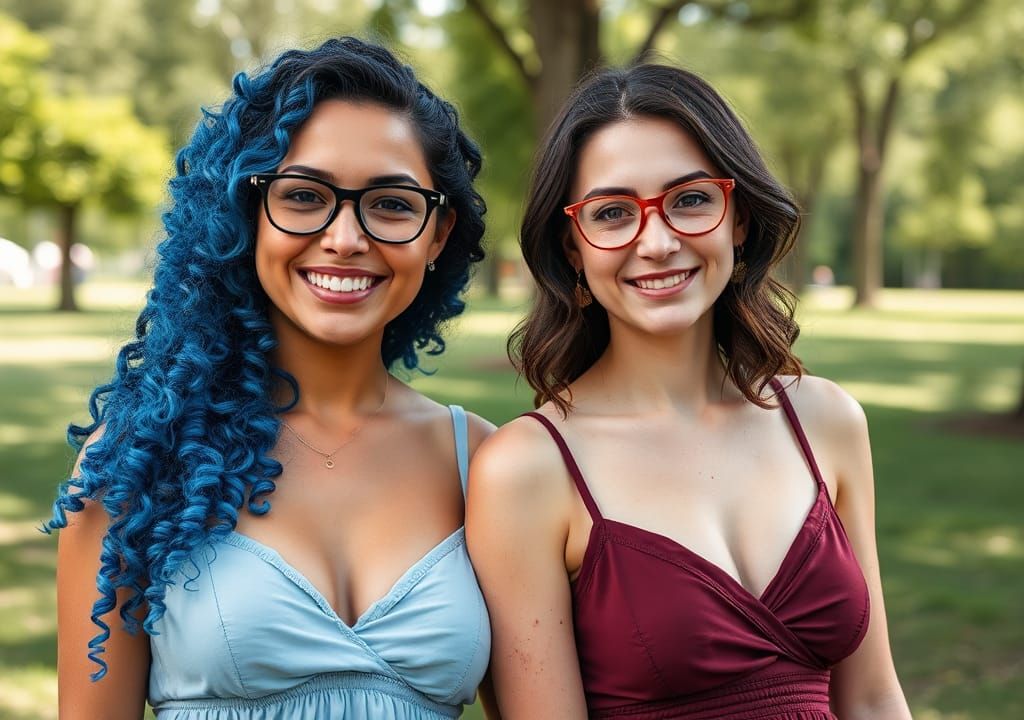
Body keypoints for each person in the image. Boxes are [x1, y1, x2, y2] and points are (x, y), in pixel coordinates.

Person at [49, 37, 494, 720]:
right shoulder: (137, 462)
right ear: (246, 216)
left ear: (438, 234)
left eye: (393, 203)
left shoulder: (488, 467)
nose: (346, 237)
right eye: (305, 196)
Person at [467, 63, 912, 719]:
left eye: (691, 199)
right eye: (613, 212)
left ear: (737, 219)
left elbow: (874, 699)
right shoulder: (527, 470)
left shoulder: (826, 420)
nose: (658, 240)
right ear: (573, 248)